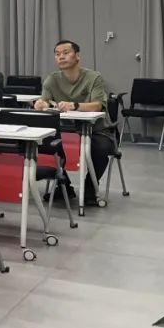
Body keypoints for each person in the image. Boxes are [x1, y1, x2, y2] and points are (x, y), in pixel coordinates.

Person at [34, 40, 114, 205]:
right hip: (65, 130)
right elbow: (44, 101)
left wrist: (74, 106)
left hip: (96, 130)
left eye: (66, 53)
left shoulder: (93, 77)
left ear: (77, 56)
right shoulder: (52, 79)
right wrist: (41, 104)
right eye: (57, 54)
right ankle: (64, 186)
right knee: (47, 145)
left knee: (101, 149)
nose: (61, 57)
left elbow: (97, 105)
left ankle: (90, 187)